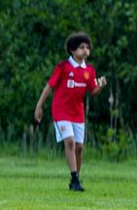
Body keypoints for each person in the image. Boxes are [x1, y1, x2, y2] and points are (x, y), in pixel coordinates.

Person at [33, 32, 107, 192]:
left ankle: (76, 179)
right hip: (61, 111)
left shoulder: (89, 70)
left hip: (77, 113)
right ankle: (74, 178)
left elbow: (92, 90)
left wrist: (100, 85)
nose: (85, 51)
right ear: (72, 50)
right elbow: (49, 86)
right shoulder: (63, 67)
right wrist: (39, 106)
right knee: (70, 142)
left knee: (79, 147)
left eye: (87, 48)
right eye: (81, 47)